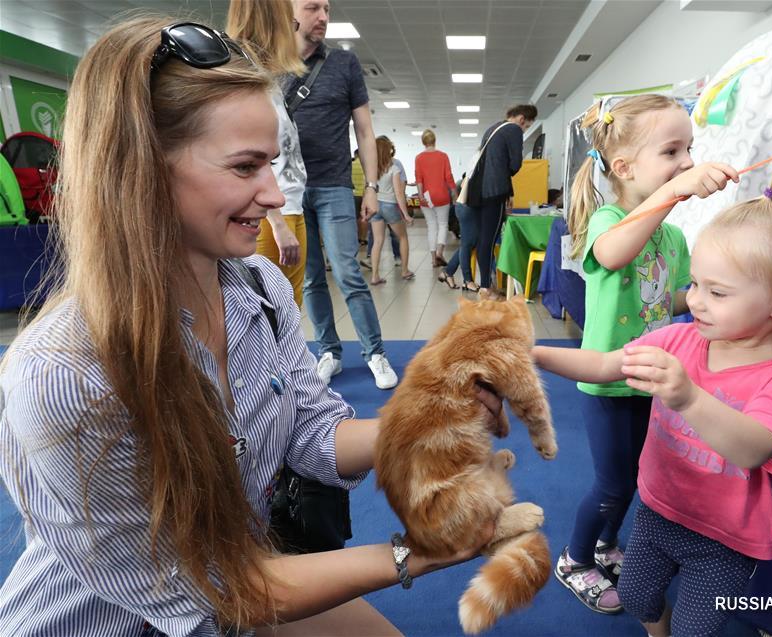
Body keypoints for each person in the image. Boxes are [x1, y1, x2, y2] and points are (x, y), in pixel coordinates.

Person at [0, 18, 500, 636]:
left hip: (247, 578)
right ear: (141, 169)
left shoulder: (258, 288)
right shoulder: (64, 373)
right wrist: (414, 553)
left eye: (274, 162)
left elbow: (313, 434)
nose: (273, 194)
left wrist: (433, 416)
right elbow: (215, 591)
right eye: (245, 167)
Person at [535, 153, 772, 637]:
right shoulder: (682, 338)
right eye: (696, 285)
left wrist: (688, 399)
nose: (695, 300)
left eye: (717, 292)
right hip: (658, 512)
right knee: (640, 598)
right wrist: (530, 354)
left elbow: (754, 447)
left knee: (696, 628)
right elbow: (602, 364)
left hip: (724, 540)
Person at [555, 94, 739, 613]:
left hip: (650, 379)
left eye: (690, 150)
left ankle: (606, 543)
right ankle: (574, 558)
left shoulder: (673, 236)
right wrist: (678, 190)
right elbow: (614, 253)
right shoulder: (609, 221)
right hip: (608, 384)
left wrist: (716, 295)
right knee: (612, 482)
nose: (687, 163)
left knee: (635, 478)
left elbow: (674, 298)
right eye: (673, 152)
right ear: (624, 167)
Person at [290, 0, 397, 389]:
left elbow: (365, 131)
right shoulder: (270, 66)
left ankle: (376, 353)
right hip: (288, 189)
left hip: (335, 185)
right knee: (311, 278)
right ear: (290, 12)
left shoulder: (344, 65)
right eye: (313, 8)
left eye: (328, 10)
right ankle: (329, 351)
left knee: (349, 272)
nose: (323, 17)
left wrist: (370, 186)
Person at [226, 0, 307, 310]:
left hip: (292, 204)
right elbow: (250, 161)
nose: (293, 32)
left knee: (291, 309)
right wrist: (278, 224)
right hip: (270, 213)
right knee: (267, 312)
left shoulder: (268, 82)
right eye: (292, 23)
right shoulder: (244, 80)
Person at [469, 104, 537, 294]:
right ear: (522, 119)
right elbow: (515, 164)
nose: (525, 129)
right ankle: (485, 286)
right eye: (528, 126)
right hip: (495, 191)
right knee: (490, 240)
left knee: (483, 238)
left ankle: (485, 283)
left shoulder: (492, 128)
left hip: (478, 192)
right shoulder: (514, 130)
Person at [370, 137, 414, 285]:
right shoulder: (394, 168)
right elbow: (399, 193)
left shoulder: (372, 168)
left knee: (377, 241)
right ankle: (405, 270)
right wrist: (406, 214)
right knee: (402, 237)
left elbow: (368, 188)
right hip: (389, 205)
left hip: (375, 205)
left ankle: (375, 276)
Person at [415, 129, 457, 267]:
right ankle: (440, 252)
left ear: (423, 142)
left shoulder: (419, 158)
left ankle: (433, 259)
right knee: (443, 224)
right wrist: (454, 193)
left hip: (426, 197)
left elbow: (419, 179)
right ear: (434, 141)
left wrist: (420, 194)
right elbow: (448, 177)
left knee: (431, 226)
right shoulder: (443, 156)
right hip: (441, 195)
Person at [440, 175, 480, 292]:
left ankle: (448, 272)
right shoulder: (479, 165)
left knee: (469, 243)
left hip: (466, 205)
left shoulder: (476, 165)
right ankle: (467, 281)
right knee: (467, 244)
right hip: (467, 206)